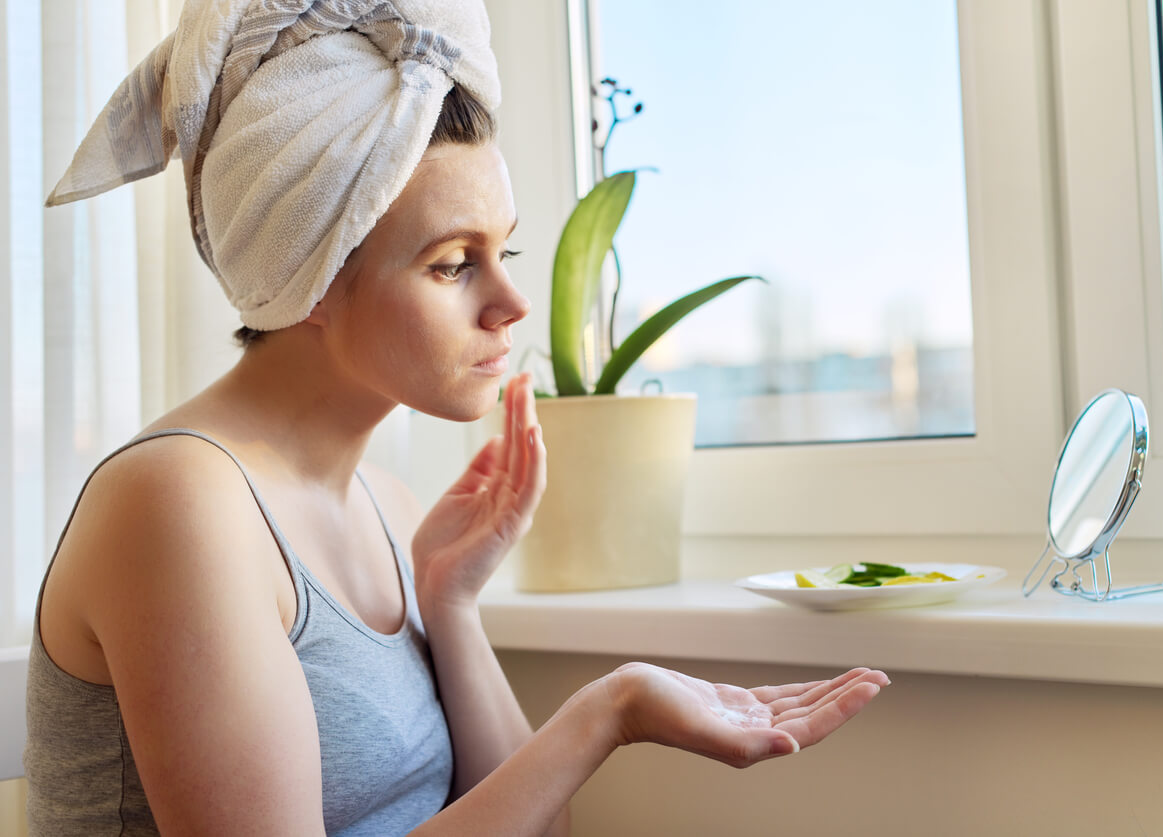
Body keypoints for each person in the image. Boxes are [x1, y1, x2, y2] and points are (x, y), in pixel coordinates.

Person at [24, 2, 890, 834]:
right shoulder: (178, 506)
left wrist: (452, 601)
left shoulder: (392, 510)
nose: (511, 300)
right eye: (452, 265)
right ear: (307, 277)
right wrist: (606, 713)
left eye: (503, 249)